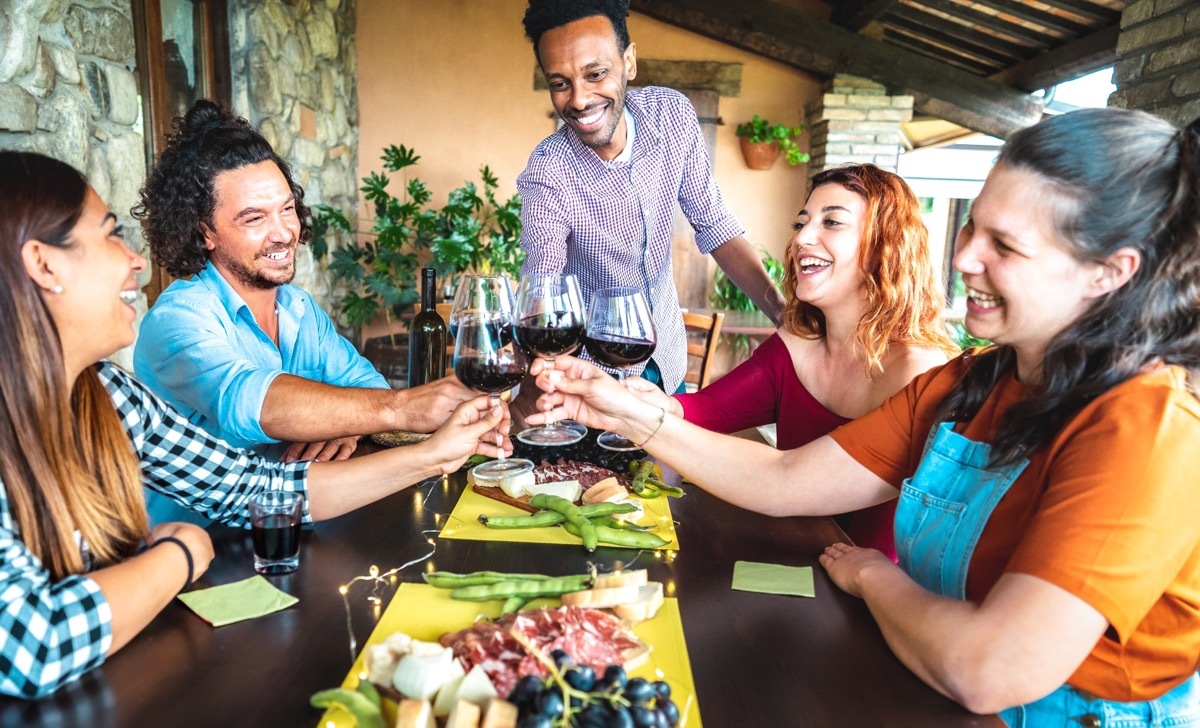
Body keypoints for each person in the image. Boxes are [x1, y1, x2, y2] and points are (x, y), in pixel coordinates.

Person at [528, 108, 1200, 723]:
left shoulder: (1148, 427)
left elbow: (987, 669)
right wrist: (619, 408)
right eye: (971, 227)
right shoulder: (969, 383)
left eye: (1006, 244)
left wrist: (876, 577)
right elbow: (786, 479)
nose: (964, 258)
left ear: (1110, 271)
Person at [0, 150, 507, 699]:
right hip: (172, 598)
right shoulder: (178, 318)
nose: (135, 261)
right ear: (44, 264)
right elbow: (36, 646)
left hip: (129, 655)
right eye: (109, 236)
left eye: (286, 209)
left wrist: (434, 453)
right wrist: (181, 553)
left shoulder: (104, 394)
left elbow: (257, 488)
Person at [132, 101, 474, 523]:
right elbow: (249, 399)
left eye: (287, 209)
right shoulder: (178, 319)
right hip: (203, 550)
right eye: (254, 218)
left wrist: (347, 420)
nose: (283, 233)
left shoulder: (298, 309)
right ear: (204, 232)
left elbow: (363, 384)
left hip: (296, 523)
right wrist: (396, 407)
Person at [629, 164, 957, 558]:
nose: (803, 237)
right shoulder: (795, 346)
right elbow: (701, 411)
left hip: (874, 602)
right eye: (801, 223)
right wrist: (639, 398)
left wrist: (633, 416)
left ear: (885, 246)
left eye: (832, 222)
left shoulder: (919, 372)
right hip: (790, 568)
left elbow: (786, 479)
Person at [514, 0, 786, 397]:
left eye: (596, 74)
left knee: (659, 463)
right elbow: (544, 276)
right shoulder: (549, 169)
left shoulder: (671, 117)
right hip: (589, 379)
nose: (578, 100)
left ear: (629, 62)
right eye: (560, 83)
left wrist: (783, 314)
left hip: (666, 359)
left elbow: (715, 224)